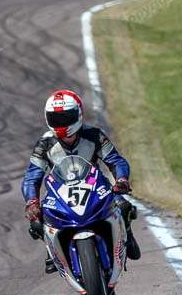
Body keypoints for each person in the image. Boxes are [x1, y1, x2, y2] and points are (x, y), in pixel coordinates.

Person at [21, 89, 140, 274]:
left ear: (78, 115)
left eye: (66, 117)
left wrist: (122, 179)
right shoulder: (44, 144)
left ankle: (128, 235)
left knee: (123, 206)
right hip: (60, 193)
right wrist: (31, 202)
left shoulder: (95, 136)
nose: (62, 124)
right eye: (56, 118)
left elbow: (116, 161)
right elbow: (32, 177)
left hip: (95, 186)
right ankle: (53, 252)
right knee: (37, 223)